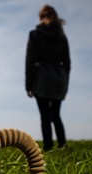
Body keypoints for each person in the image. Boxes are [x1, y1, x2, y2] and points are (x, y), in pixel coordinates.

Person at [25, 4, 71, 151]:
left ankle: (48, 147)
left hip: (42, 78)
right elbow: (67, 63)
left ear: (40, 17)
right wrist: (65, 83)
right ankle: (63, 145)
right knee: (56, 115)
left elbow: (30, 61)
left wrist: (28, 84)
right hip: (59, 77)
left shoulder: (34, 34)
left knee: (45, 116)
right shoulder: (61, 36)